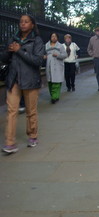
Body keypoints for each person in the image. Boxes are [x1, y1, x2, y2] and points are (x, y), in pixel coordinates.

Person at [0, 14, 44, 153]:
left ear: (32, 25)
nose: (23, 24)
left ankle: (32, 135)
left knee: (31, 111)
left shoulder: (36, 40)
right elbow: (4, 59)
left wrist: (19, 50)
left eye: (26, 22)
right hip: (14, 79)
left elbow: (37, 61)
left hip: (30, 80)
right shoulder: (13, 39)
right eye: (21, 22)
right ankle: (10, 142)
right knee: (12, 111)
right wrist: (9, 50)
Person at [44, 33, 67, 104]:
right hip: (49, 66)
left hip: (57, 67)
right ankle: (54, 96)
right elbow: (42, 54)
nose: (53, 38)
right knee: (50, 82)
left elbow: (65, 55)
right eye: (52, 36)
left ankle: (54, 97)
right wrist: (44, 57)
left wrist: (58, 55)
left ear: (57, 38)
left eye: (55, 36)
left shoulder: (60, 46)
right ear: (50, 37)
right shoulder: (46, 46)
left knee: (56, 82)